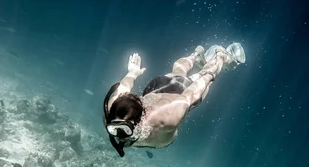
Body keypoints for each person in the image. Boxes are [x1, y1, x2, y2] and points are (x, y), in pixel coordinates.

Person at [103, 43, 245, 156]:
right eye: (113, 129)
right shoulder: (111, 109)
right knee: (178, 72)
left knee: (203, 78)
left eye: (125, 129)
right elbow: (124, 86)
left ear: (141, 120)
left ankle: (221, 56)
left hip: (179, 94)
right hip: (155, 89)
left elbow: (191, 95)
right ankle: (195, 55)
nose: (120, 136)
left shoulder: (167, 119)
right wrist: (132, 73)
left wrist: (209, 74)